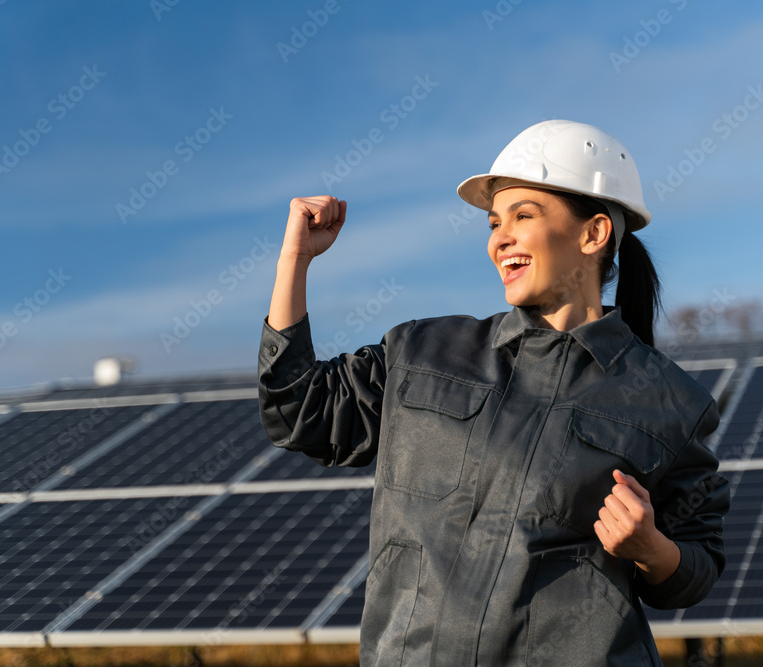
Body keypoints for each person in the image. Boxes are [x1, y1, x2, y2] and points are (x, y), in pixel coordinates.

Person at [258, 120, 730, 666]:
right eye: (493, 223)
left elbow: (694, 568)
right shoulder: (423, 350)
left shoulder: (670, 401)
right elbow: (299, 412)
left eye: (523, 216)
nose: (499, 239)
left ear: (594, 234)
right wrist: (294, 261)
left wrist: (650, 547)